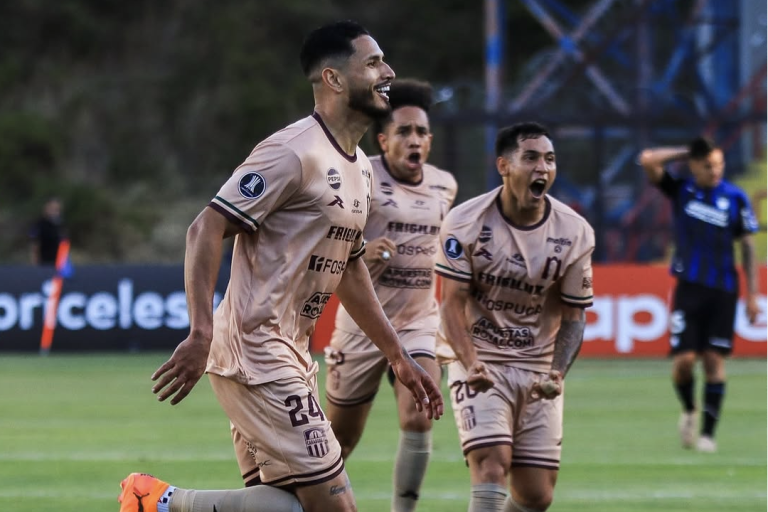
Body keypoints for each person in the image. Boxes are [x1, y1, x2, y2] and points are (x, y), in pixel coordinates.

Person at [117, 20, 444, 512]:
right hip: (256, 352)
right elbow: (205, 228)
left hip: (290, 352)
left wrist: (397, 354)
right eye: (374, 62)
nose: (389, 72)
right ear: (334, 78)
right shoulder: (292, 152)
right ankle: (160, 503)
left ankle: (158, 503)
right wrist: (200, 332)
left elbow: (349, 266)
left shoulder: (359, 166)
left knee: (287, 505)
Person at [436, 122, 594, 512]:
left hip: (538, 366)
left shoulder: (575, 232)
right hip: (480, 361)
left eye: (550, 159)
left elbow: (574, 316)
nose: (543, 167)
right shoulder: (465, 222)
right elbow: (451, 303)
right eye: (532, 158)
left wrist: (557, 372)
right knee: (491, 464)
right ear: (504, 166)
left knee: (536, 496)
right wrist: (470, 361)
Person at [324, 78, 457, 512]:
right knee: (338, 441)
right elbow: (328, 243)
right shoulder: (358, 175)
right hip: (362, 325)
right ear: (383, 140)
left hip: (418, 323)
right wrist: (362, 250)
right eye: (404, 132)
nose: (414, 140)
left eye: (421, 132)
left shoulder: (445, 185)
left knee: (419, 416)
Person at [639, 136, 760, 453]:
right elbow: (648, 159)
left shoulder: (735, 197)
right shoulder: (682, 191)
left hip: (724, 289)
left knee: (713, 361)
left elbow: (747, 246)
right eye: (707, 165)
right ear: (693, 165)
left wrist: (753, 295)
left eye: (719, 164)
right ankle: (690, 409)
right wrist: (685, 151)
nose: (715, 170)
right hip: (689, 288)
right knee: (683, 362)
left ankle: (708, 434)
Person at [29, 197, 65, 265]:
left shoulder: (60, 225)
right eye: (52, 209)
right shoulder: (39, 225)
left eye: (57, 209)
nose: (55, 212)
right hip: (44, 264)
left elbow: (64, 244)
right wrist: (35, 265)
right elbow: (34, 246)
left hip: (58, 264)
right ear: (46, 209)